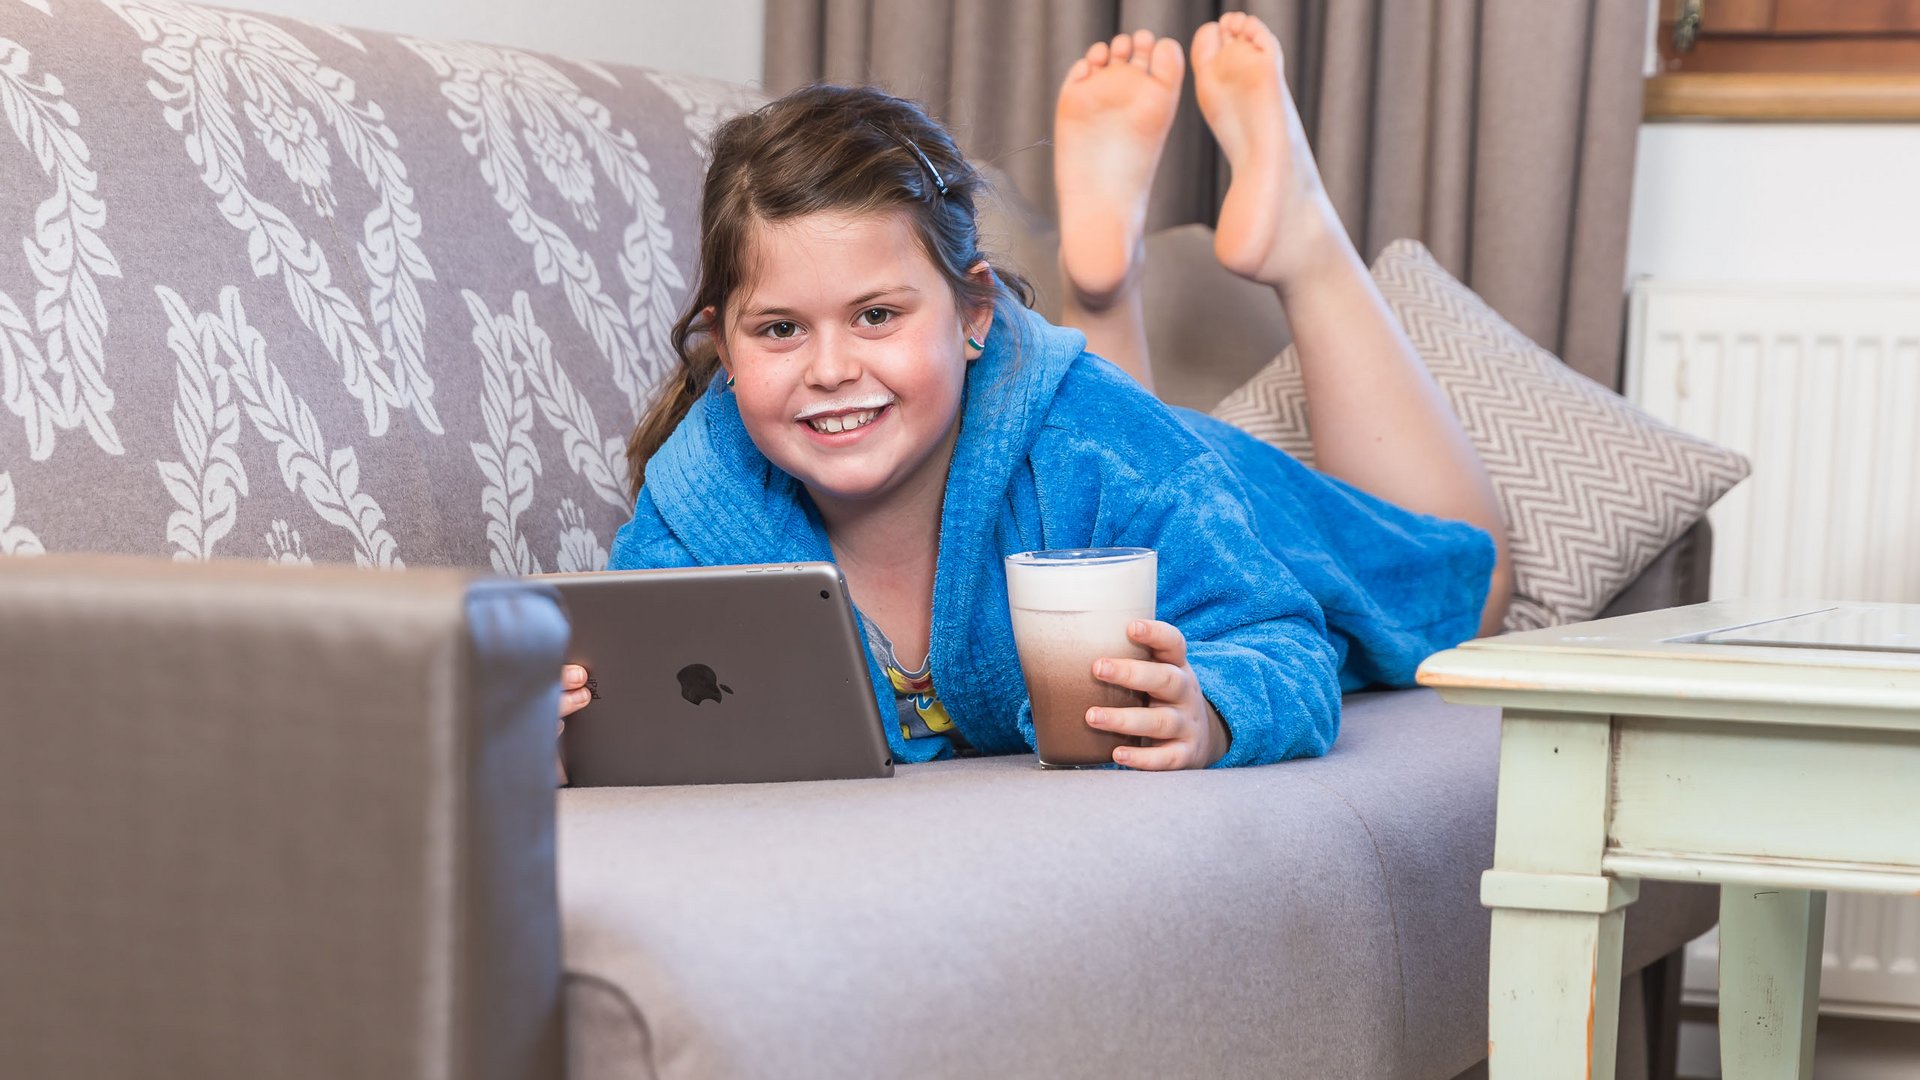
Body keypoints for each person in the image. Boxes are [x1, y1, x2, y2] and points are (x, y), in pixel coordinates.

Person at [558, 13, 1512, 774]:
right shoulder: (702, 503)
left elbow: (1279, 639)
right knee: (1092, 464)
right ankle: (1103, 285)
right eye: (779, 330)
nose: (829, 368)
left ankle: (1302, 239)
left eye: (877, 316)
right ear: (722, 345)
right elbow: (643, 690)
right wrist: (563, 731)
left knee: (1469, 581)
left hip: (1211, 478)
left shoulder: (1102, 448)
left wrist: (1212, 711)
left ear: (975, 311)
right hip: (1096, 444)